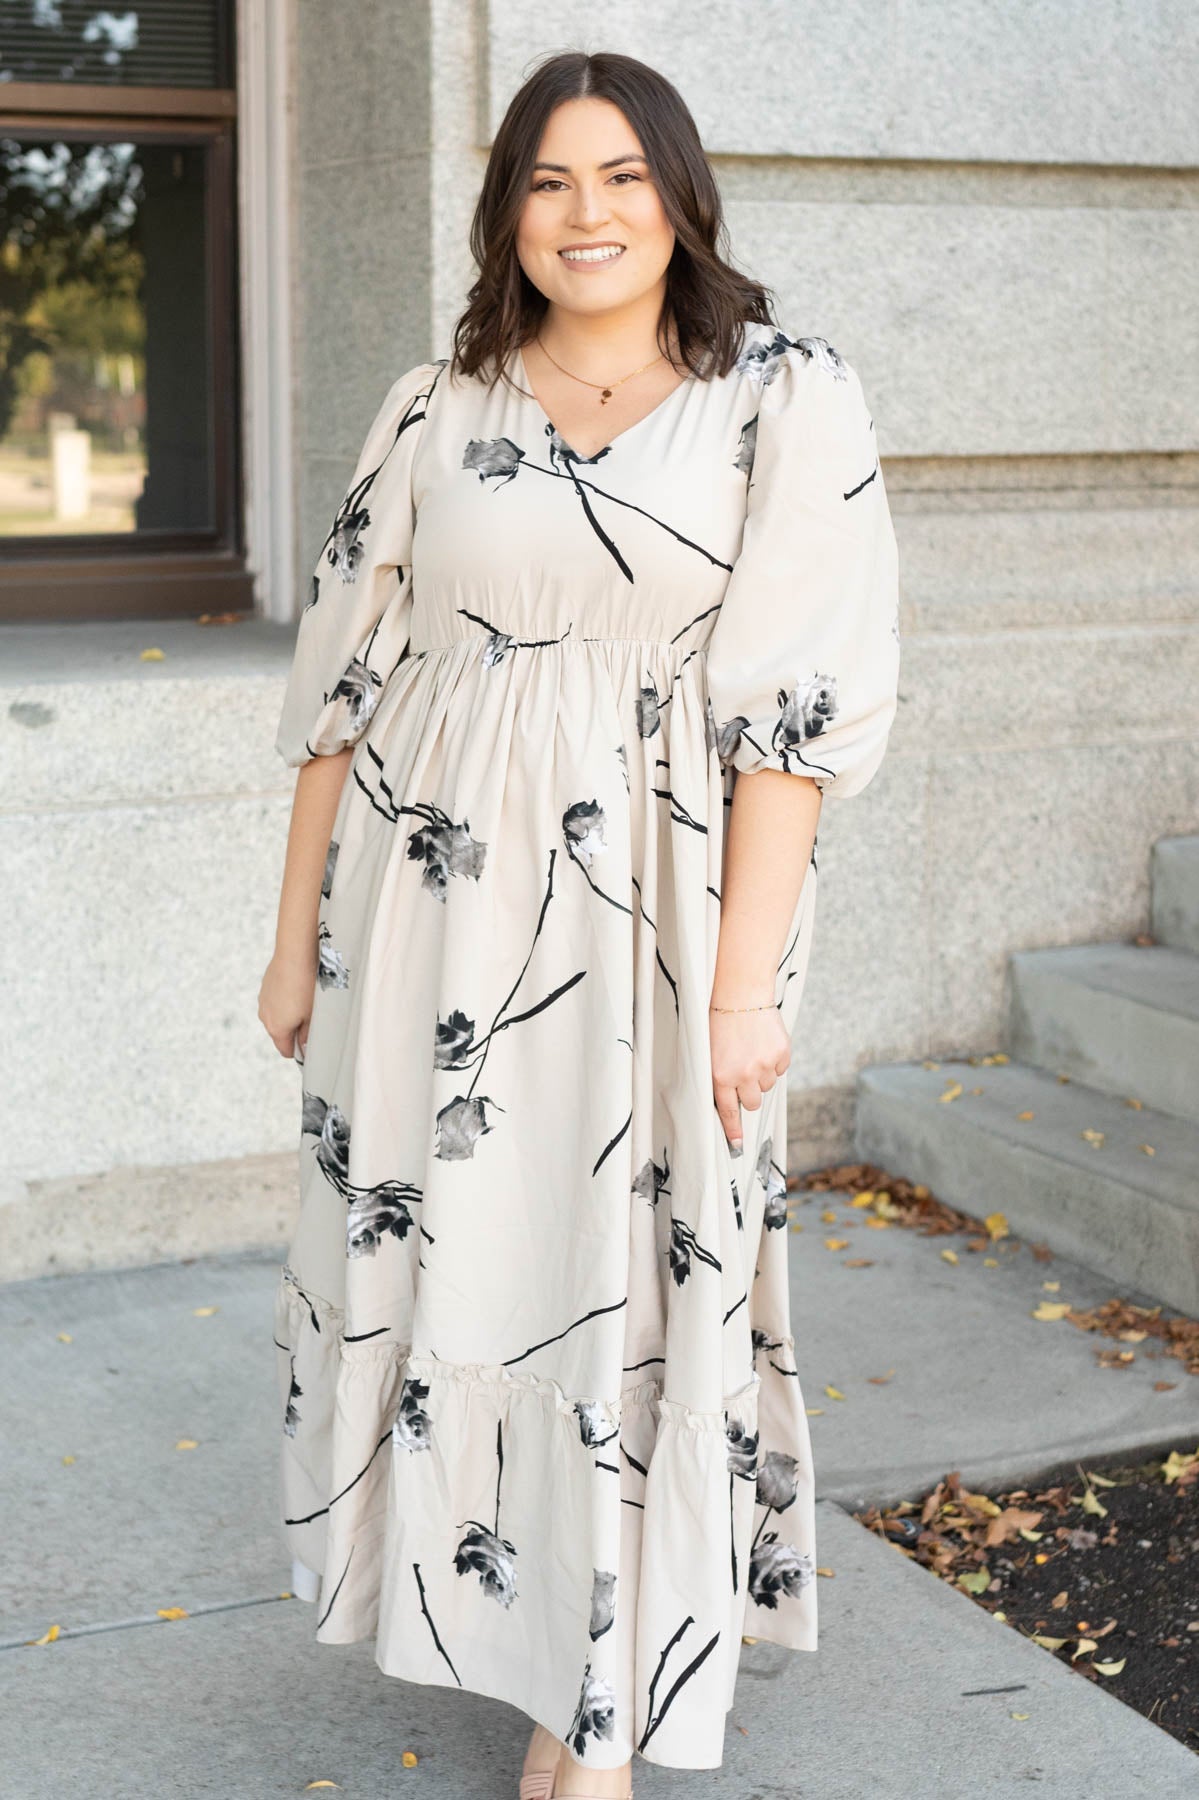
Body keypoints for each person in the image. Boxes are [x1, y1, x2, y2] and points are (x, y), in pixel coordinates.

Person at [257, 47, 899, 1800]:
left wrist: (749, 990)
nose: (587, 212)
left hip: (660, 925)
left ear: (681, 196)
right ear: (507, 214)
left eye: (621, 175)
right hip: (426, 924)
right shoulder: (437, 403)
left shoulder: (784, 399)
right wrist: (289, 932)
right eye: (549, 180)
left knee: (628, 1286)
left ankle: (595, 1704)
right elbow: (341, 685)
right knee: (472, 1264)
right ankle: (498, 1616)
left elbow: (798, 723)